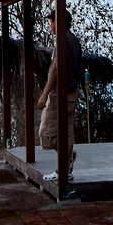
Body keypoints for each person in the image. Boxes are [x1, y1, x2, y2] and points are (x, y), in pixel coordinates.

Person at [36, 12, 83, 151]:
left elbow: (55, 69)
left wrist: (44, 95)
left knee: (47, 133)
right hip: (72, 91)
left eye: (51, 22)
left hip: (61, 94)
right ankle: (65, 167)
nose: (50, 26)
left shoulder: (64, 40)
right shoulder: (74, 40)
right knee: (66, 130)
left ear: (58, 22)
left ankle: (64, 166)